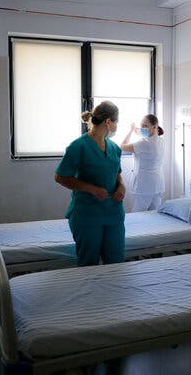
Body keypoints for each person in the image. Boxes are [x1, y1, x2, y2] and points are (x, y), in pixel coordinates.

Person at [54, 101, 126, 266]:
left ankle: (113, 292)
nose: (117, 126)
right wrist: (91, 189)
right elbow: (60, 176)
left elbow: (117, 173)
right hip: (87, 214)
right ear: (108, 122)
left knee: (116, 263)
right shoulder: (78, 146)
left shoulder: (114, 148)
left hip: (113, 213)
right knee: (89, 264)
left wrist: (121, 186)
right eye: (116, 122)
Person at [120, 114, 165, 212]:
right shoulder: (161, 140)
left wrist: (131, 131)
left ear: (154, 127)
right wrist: (140, 132)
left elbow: (122, 146)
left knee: (138, 213)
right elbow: (149, 138)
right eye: (141, 126)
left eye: (145, 126)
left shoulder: (144, 143)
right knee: (155, 213)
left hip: (144, 185)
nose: (142, 128)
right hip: (158, 184)